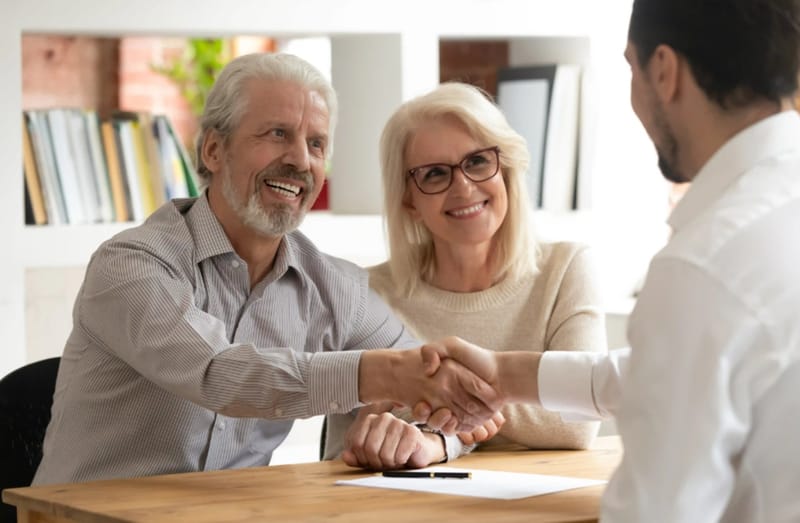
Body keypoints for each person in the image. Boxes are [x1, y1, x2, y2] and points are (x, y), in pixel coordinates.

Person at [32, 52, 503, 485]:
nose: (300, 159)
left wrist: (432, 438)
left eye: (316, 143)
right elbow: (218, 373)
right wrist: (387, 374)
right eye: (277, 133)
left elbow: (441, 391)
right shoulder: (131, 265)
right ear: (214, 151)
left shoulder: (336, 288)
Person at [420, 0, 800, 520]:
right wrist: (507, 375)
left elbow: (655, 512)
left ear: (663, 71)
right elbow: (686, 370)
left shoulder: (704, 265)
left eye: (630, 67)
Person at [323, 82, 607, 470]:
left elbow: (578, 420)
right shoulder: (364, 294)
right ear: (408, 199)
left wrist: (441, 425)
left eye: (477, 162)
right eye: (436, 174)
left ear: (505, 168)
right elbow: (341, 450)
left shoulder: (566, 269)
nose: (463, 187)